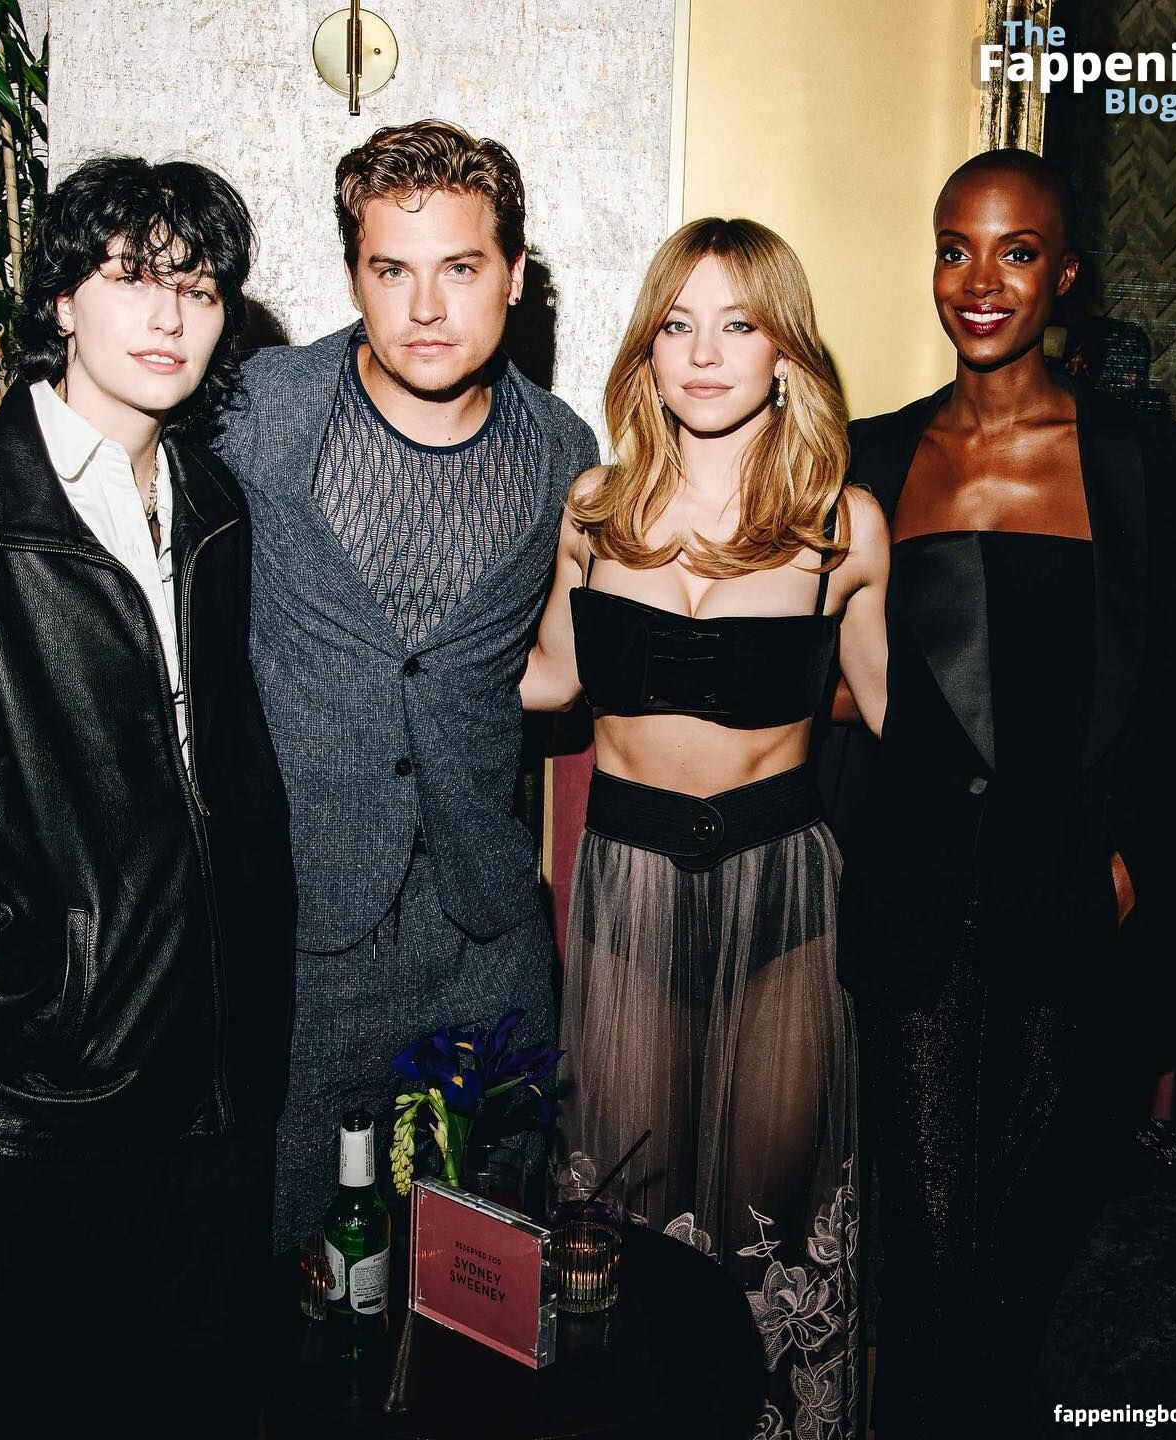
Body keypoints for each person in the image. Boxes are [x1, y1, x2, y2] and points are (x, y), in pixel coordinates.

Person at [0, 120, 599, 1246]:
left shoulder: (561, 448)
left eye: (461, 268)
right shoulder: (256, 407)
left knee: (485, 1275)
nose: (425, 308)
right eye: (390, 271)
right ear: (352, 277)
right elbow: (71, 437)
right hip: (294, 941)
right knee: (291, 1271)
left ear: (514, 275)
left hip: (488, 936)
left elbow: (549, 664)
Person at [0, 158, 295, 1438]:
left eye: (198, 289)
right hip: (44, 1105)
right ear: (61, 302)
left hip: (217, 1077)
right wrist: (39, 1011)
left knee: (197, 1405)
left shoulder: (213, 503)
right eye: (130, 278)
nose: (168, 316)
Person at [832, 149, 1176, 1438]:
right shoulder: (871, 458)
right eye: (955, 247)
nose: (980, 281)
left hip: (1078, 914)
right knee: (926, 1252)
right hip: (916, 909)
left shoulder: (1154, 467)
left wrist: (1147, 874)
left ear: (1065, 275)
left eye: (1016, 252)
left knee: (1023, 1263)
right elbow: (829, 675)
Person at [522, 217, 889, 1433]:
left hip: (782, 890)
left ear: (785, 352)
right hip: (626, 882)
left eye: (739, 324)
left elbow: (903, 715)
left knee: (768, 1212)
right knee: (625, 1208)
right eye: (678, 324)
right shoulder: (594, 507)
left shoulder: (842, 522)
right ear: (648, 349)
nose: (705, 352)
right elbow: (548, 678)